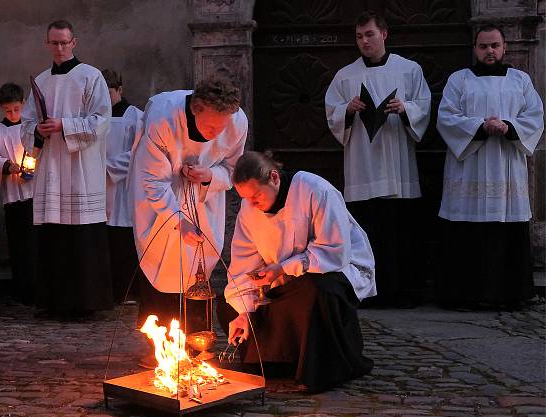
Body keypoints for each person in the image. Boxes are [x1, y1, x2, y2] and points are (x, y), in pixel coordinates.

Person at [220, 151, 376, 393]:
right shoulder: (249, 208)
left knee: (314, 291)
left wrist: (283, 267)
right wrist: (244, 312)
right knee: (230, 306)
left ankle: (319, 368)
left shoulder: (316, 190)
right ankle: (276, 364)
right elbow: (243, 265)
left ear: (273, 178)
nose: (252, 204)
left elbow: (333, 251)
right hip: (283, 278)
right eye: (246, 198)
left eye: (256, 196)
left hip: (335, 271)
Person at [325, 10, 431, 307]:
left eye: (370, 34)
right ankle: (368, 292)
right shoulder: (345, 76)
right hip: (362, 164)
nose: (364, 41)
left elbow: (423, 106)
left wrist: (405, 108)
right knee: (367, 230)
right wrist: (347, 109)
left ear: (384, 34)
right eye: (359, 37)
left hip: (398, 162)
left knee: (399, 230)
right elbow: (332, 112)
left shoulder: (409, 70)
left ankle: (402, 292)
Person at [436, 25, 544, 309]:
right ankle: (464, 294)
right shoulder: (459, 80)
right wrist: (480, 126)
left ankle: (511, 294)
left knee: (506, 229)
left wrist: (508, 127)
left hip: (506, 166)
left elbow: (534, 115)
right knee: (468, 234)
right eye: (483, 46)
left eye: (495, 45)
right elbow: (446, 117)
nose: (490, 51)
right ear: (475, 48)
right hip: (469, 167)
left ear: (505, 47)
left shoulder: (520, 80)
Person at [129, 76, 247, 334]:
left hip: (204, 198)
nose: (216, 134)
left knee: (199, 266)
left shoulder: (237, 122)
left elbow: (232, 171)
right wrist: (177, 220)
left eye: (221, 127)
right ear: (195, 109)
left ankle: (197, 339)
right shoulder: (163, 119)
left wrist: (209, 176)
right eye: (210, 126)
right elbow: (153, 180)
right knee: (159, 258)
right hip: (160, 199)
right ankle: (159, 340)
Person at [21, 19, 113, 317]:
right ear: (47, 44)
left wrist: (64, 125)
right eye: (54, 43)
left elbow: (101, 121)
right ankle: (55, 301)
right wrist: (38, 131)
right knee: (54, 236)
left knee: (83, 236)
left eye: (64, 42)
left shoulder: (91, 76)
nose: (59, 48)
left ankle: (87, 302)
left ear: (74, 42)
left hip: (81, 167)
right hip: (51, 167)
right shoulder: (42, 80)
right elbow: (26, 122)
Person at [102, 68, 143, 303]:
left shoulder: (135, 117)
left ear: (119, 89)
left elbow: (138, 153)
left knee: (122, 239)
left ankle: (127, 290)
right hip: (97, 188)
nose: (105, 99)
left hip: (122, 186)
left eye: (108, 92)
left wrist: (108, 168)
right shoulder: (95, 118)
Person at [0, 82, 35, 305]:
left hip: (33, 194)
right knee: (18, 243)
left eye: (17, 109)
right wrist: (7, 166)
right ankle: (22, 287)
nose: (13, 114)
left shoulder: (30, 127)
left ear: (24, 104)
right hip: (12, 195)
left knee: (35, 242)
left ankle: (38, 287)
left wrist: (33, 165)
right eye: (8, 110)